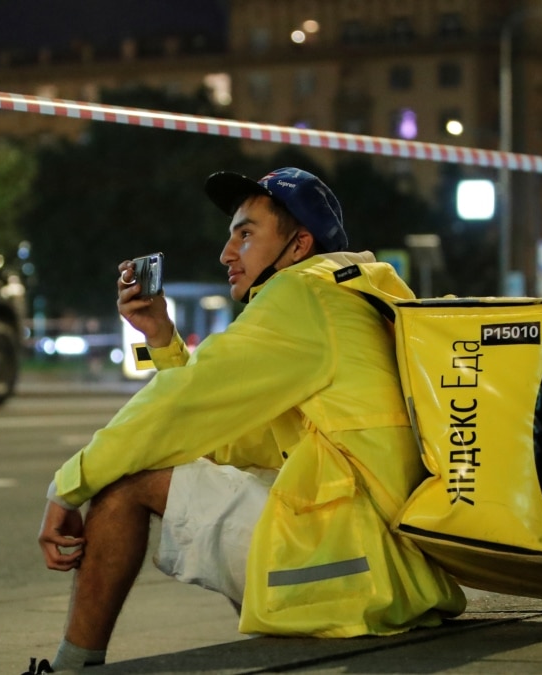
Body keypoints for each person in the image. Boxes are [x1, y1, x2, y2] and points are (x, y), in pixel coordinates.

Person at [31, 167, 465, 672]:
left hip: (351, 570)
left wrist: (67, 489)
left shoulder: (300, 296)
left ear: (299, 245)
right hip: (395, 568)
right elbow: (221, 435)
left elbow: (179, 408)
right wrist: (161, 341)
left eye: (246, 234)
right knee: (208, 475)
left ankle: (69, 668)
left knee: (123, 486)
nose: (227, 254)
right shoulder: (354, 295)